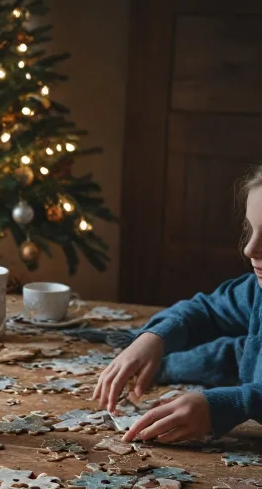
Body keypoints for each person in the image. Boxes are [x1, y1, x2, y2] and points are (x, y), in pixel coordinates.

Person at [93, 164, 262, 444]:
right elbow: (205, 311)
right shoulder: (256, 290)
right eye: (252, 229)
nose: (249, 249)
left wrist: (226, 405)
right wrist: (153, 339)